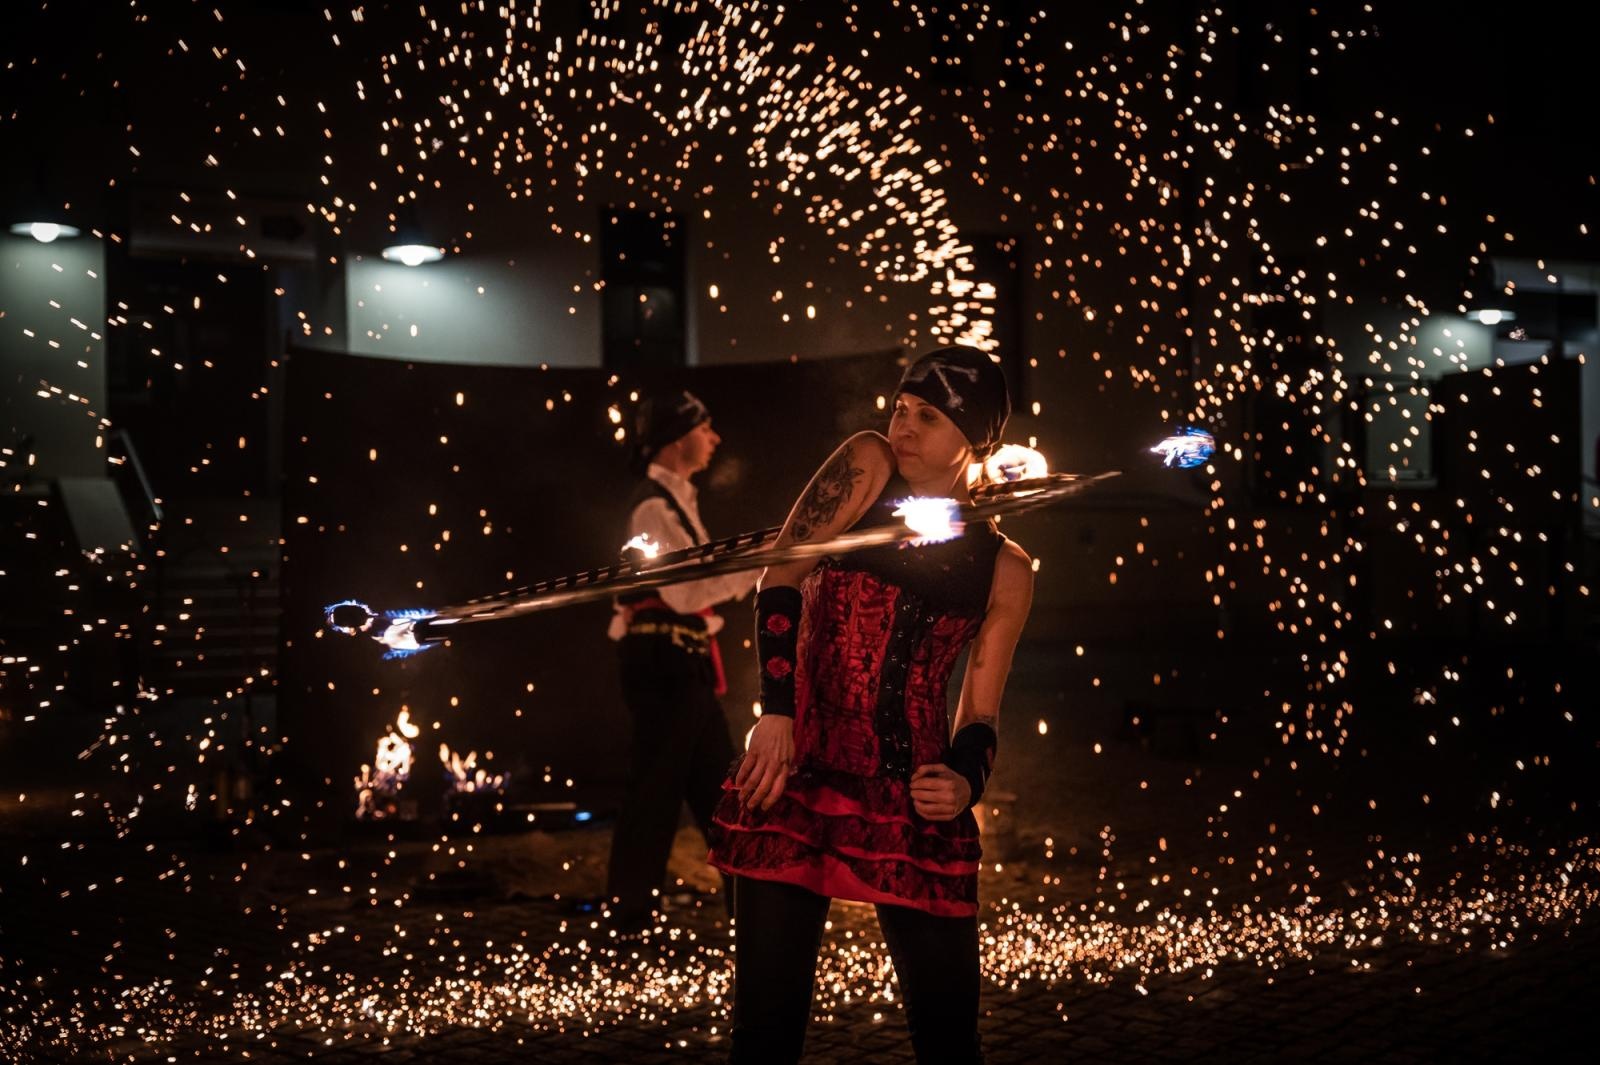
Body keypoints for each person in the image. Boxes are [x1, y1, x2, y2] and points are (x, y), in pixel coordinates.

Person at [707, 346, 1035, 1064]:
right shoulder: (867, 463)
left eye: (927, 416)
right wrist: (777, 711)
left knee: (950, 1042)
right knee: (764, 1036)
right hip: (800, 770)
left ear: (975, 440)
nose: (903, 426)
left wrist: (963, 777)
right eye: (900, 407)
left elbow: (979, 713)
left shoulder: (1005, 567)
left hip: (907, 795)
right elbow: (780, 576)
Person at [604, 390, 757, 928]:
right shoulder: (652, 505)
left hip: (685, 660)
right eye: (704, 427)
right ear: (677, 438)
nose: (714, 438)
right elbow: (686, 594)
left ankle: (748, 899)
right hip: (661, 658)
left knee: (718, 785)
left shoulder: (679, 499)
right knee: (656, 784)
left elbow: (700, 584)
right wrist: (762, 567)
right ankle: (628, 912)